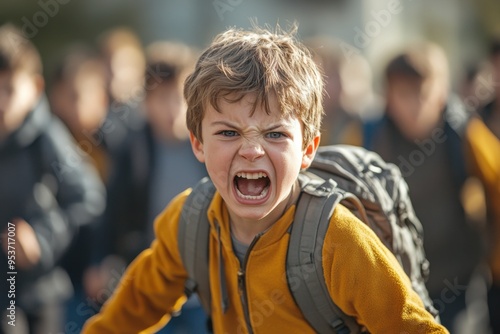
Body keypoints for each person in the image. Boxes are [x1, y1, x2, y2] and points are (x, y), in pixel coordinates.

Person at [82, 25, 447, 333]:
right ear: (197, 143)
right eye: (228, 133)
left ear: (308, 149)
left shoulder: (338, 240)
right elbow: (129, 312)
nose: (251, 151)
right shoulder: (190, 221)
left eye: (274, 134)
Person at [363, 42, 493, 332]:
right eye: (404, 95)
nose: (415, 106)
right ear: (388, 99)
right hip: (395, 281)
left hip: (458, 276)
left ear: (440, 95)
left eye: (423, 95)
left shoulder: (464, 134)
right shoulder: (367, 137)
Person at [0, 23, 106, 334]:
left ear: (34, 88)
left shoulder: (46, 136)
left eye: (9, 90)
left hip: (41, 287)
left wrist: (41, 238)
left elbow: (87, 195)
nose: (1, 103)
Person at [101, 40, 209, 333]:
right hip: (153, 280)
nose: (173, 110)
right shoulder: (133, 148)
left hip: (204, 285)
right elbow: (113, 210)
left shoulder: (211, 146)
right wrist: (107, 257)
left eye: (179, 98)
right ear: (146, 102)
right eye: (162, 99)